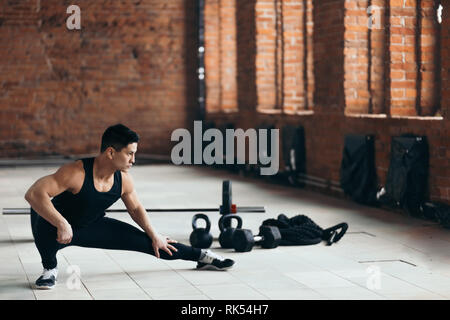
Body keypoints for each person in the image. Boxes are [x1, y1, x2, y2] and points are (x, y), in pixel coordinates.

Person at [25, 124, 234, 289]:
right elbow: (34, 193)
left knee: (154, 244)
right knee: (41, 215)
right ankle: (49, 268)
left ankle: (202, 256)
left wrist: (154, 234)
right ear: (110, 152)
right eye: (129, 153)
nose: (134, 159)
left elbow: (135, 209)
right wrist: (61, 222)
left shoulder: (124, 180)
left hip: (91, 226)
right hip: (55, 227)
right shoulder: (76, 172)